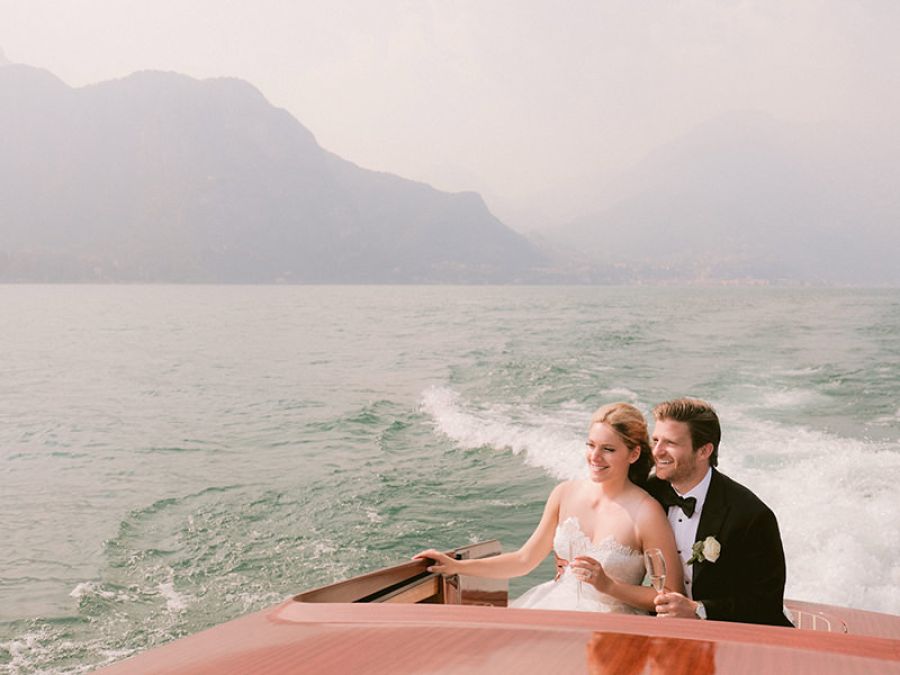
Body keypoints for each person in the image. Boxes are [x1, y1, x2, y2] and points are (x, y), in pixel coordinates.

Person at [415, 402, 684, 614]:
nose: (595, 457)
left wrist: (609, 586)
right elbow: (524, 560)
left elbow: (671, 597)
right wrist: (456, 566)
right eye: (590, 445)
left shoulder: (646, 512)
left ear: (633, 454)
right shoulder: (564, 493)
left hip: (612, 625)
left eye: (608, 449)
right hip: (553, 607)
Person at [647, 398, 793, 626]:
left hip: (731, 633)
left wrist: (699, 610)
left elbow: (766, 602)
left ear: (704, 450)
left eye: (670, 443)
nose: (657, 451)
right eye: (655, 440)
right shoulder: (648, 493)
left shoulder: (751, 515)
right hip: (662, 628)